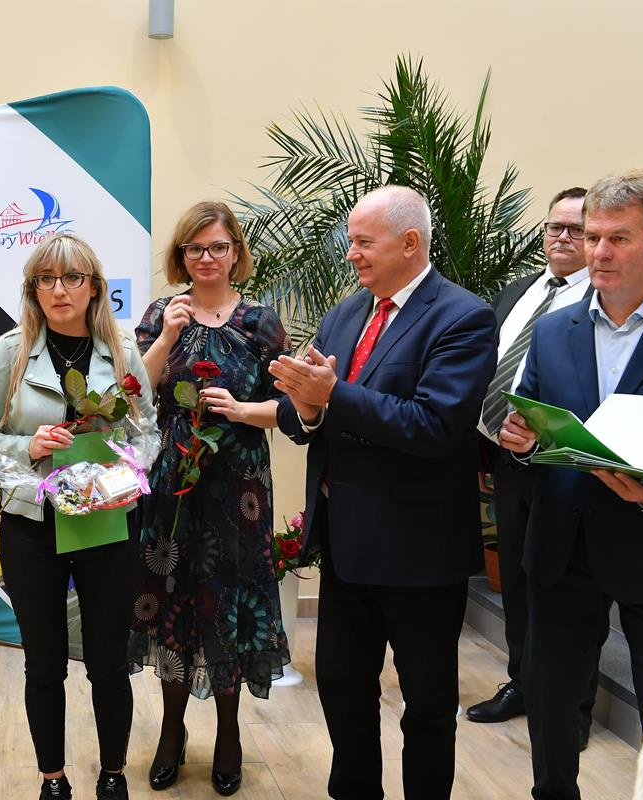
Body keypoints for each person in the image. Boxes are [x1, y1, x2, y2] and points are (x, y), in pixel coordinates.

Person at [269, 186, 497, 799]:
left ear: (410, 242)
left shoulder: (463, 317)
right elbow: (304, 415)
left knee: (427, 705)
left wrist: (330, 396)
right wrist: (306, 407)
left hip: (421, 553)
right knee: (343, 691)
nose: (351, 254)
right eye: (351, 241)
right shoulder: (347, 313)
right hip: (347, 546)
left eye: (363, 242)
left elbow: (434, 426)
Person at [0, 233, 157, 800]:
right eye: (45, 279)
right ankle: (53, 779)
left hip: (106, 520)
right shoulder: (12, 350)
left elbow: (147, 432)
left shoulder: (121, 349)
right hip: (31, 523)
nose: (59, 290)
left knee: (108, 663)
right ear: (34, 290)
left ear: (94, 287)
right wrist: (28, 446)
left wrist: (122, 466)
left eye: (72, 278)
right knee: (43, 665)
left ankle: (113, 774)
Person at [498, 169, 643, 800]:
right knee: (551, 702)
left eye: (618, 238)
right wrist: (522, 439)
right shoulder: (552, 330)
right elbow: (534, 416)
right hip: (562, 547)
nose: (598, 252)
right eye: (593, 236)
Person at [128, 200, 292, 797]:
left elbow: (291, 407)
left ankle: (229, 733)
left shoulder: (260, 322)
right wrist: (170, 334)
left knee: (229, 602)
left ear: (235, 253)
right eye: (195, 248)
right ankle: (171, 731)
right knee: (173, 599)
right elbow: (134, 392)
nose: (206, 258)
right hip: (173, 482)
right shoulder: (161, 313)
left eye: (218, 247)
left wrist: (241, 410)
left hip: (238, 487)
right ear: (182, 255)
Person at [468, 187, 601, 749]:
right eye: (554, 227)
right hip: (507, 456)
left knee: (574, 590)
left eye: (576, 229)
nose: (563, 237)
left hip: (565, 463)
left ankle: (574, 709)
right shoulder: (519, 291)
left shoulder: (602, 300)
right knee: (518, 578)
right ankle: (523, 683)